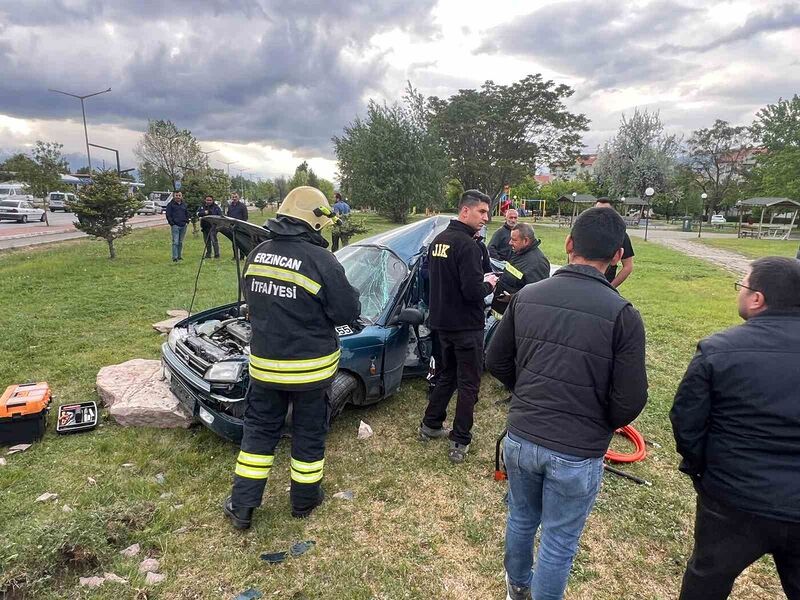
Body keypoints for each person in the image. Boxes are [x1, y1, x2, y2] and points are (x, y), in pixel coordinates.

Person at [486, 207, 648, 600]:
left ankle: (516, 590)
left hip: (522, 438)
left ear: (569, 244)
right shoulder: (624, 314)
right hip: (576, 452)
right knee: (558, 540)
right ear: (615, 258)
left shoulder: (527, 296)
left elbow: (495, 360)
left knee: (521, 518)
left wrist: (525, 393)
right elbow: (630, 400)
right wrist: (598, 424)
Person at [223, 186, 360, 530]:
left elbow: (251, 304)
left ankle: (242, 507)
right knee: (309, 433)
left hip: (265, 368)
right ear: (313, 221)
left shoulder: (258, 253)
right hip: (311, 372)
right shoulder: (322, 261)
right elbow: (347, 311)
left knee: (258, 435)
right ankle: (304, 502)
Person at [670, 257, 800, 600]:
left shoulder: (718, 350)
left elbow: (686, 422)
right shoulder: (719, 350)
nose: (738, 293)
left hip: (732, 499)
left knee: (707, 581)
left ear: (757, 299)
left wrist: (702, 472)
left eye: (741, 286)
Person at [418, 190, 498, 463]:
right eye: (482, 212)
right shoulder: (468, 246)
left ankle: (431, 424)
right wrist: (491, 283)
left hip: (442, 324)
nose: (486, 218)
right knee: (468, 384)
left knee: (447, 375)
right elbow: (473, 291)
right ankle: (460, 439)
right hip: (466, 326)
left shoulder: (438, 241)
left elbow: (428, 279)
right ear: (465, 211)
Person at [489, 223, 550, 320]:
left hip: (513, 319)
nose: (509, 243)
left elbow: (536, 297)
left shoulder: (537, 263)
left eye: (514, 240)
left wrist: (512, 298)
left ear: (526, 240)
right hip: (499, 313)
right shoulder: (518, 252)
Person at [595, 198, 634, 287]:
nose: (600, 214)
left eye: (605, 211)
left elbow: (628, 267)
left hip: (605, 284)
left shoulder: (621, 235)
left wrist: (611, 287)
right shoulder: (584, 231)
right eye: (597, 210)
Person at [165, 190, 189, 262]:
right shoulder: (170, 205)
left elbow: (187, 213)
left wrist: (187, 221)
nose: (178, 197)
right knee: (175, 242)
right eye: (176, 195)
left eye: (179, 195)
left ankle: (179, 256)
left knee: (180, 242)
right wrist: (172, 223)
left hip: (183, 225)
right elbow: (168, 215)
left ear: (181, 196)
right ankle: (174, 257)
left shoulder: (184, 205)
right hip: (175, 225)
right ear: (173, 196)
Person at [226, 192, 249, 261]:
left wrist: (242, 225)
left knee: (241, 242)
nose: (234, 198)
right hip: (232, 226)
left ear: (238, 197)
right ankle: (235, 256)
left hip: (240, 226)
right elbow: (228, 215)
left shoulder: (242, 206)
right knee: (234, 242)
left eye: (236, 197)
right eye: (233, 197)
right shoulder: (230, 206)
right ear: (231, 198)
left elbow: (245, 217)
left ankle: (242, 257)